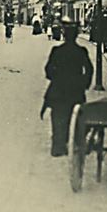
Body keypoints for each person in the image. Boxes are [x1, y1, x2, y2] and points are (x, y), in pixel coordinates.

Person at [41, 16, 94, 157]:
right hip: (76, 92)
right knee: (78, 116)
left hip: (58, 92)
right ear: (76, 36)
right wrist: (84, 84)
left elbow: (48, 70)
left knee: (58, 116)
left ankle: (58, 145)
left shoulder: (57, 51)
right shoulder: (81, 51)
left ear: (64, 35)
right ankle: (78, 141)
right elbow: (89, 69)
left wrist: (56, 79)